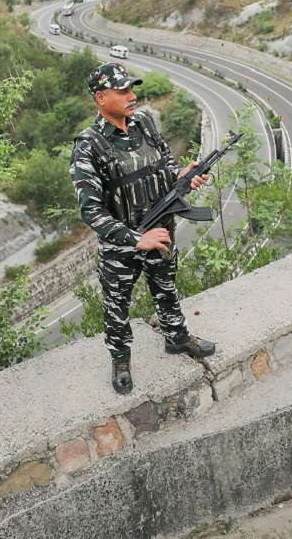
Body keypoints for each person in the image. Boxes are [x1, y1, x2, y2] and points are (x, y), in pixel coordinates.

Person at [69, 63, 217, 394]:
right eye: (123, 91)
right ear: (101, 97)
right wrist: (138, 239)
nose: (132, 96)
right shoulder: (88, 146)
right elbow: (91, 212)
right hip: (123, 245)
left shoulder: (145, 124)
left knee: (166, 289)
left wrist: (184, 177)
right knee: (117, 306)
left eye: (131, 89)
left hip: (161, 232)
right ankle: (120, 360)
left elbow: (165, 166)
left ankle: (177, 338)